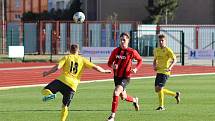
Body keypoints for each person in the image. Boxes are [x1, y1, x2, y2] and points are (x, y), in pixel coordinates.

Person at [41, 44, 111, 121]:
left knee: (44, 91)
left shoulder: (67, 57)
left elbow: (57, 67)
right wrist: (104, 71)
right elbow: (95, 67)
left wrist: (47, 73)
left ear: (70, 50)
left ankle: (51, 95)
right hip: (72, 86)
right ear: (78, 51)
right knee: (65, 106)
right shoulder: (82, 59)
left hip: (62, 80)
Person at [107, 32, 143, 121]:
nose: (122, 41)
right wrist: (112, 66)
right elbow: (109, 63)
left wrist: (136, 69)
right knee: (123, 96)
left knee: (116, 92)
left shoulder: (132, 51)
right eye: (121, 40)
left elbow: (140, 60)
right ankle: (135, 100)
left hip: (125, 77)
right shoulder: (115, 51)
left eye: (124, 40)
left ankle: (112, 116)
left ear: (128, 40)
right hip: (116, 76)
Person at [153, 34, 181, 111]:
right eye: (160, 41)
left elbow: (175, 60)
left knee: (160, 88)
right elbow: (155, 60)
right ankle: (175, 94)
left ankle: (161, 106)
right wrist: (154, 66)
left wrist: (170, 68)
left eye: (162, 40)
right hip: (159, 71)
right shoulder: (156, 50)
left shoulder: (168, 50)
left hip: (165, 72)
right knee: (157, 89)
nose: (161, 42)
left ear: (165, 41)